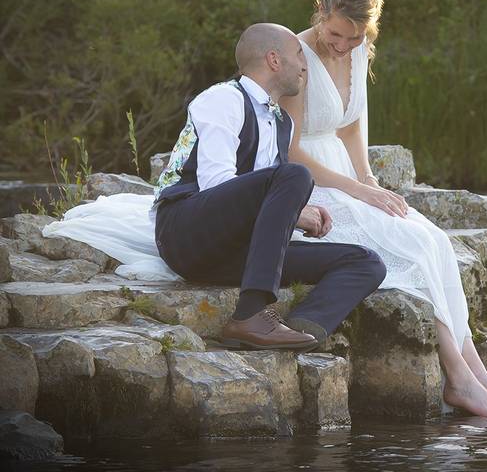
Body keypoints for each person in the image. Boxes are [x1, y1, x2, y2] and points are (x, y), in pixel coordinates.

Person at [280, 0, 487, 419]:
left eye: (355, 38)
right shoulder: (296, 54)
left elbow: (352, 124)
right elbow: (291, 151)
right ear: (321, 11)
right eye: (336, 34)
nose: (343, 46)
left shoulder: (357, 48)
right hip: (307, 181)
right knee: (407, 250)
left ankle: (477, 374)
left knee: (434, 241)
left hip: (348, 176)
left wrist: (370, 179)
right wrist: (359, 191)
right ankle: (457, 377)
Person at [151, 22, 387, 350]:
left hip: (237, 250)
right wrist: (294, 206)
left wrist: (294, 212)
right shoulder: (223, 99)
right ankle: (250, 316)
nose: (305, 64)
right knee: (297, 175)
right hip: (186, 233)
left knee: (365, 262)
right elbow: (215, 186)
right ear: (274, 60)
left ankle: (305, 327)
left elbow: (263, 196)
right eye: (297, 55)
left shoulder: (281, 122)